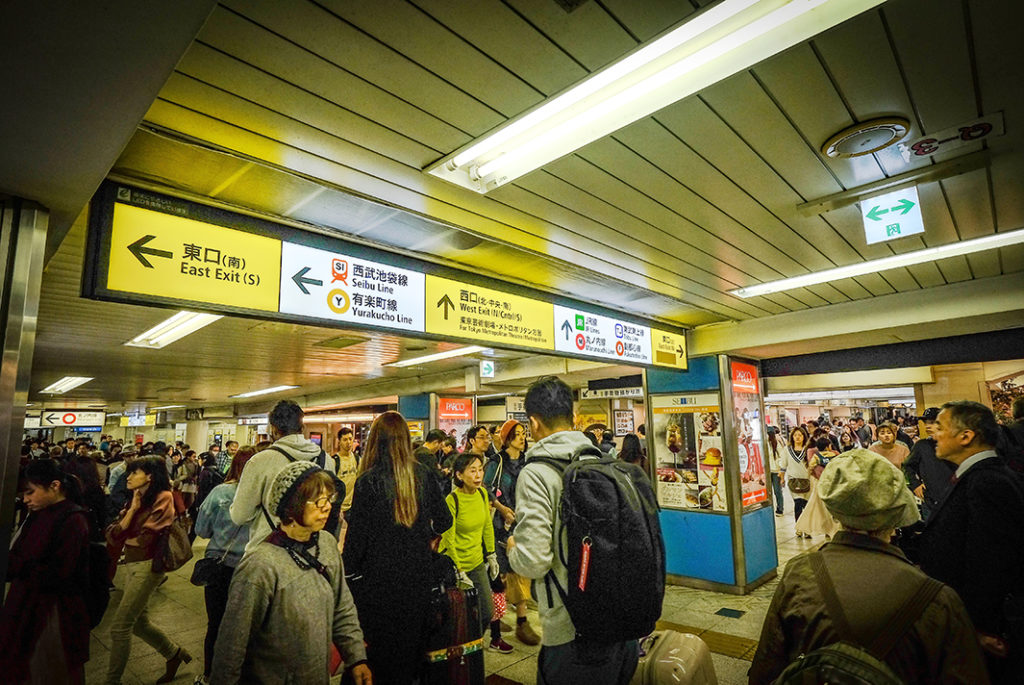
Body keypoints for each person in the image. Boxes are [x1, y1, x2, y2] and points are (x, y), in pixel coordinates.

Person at [749, 449, 989, 684]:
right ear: (897, 514)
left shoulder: (800, 572)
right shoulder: (938, 599)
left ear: (835, 510)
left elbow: (768, 663)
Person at [507, 376, 639, 685]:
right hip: (623, 626)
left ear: (534, 423)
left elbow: (535, 560)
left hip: (573, 636)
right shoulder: (605, 462)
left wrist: (513, 547)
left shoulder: (537, 473)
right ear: (575, 419)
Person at [211, 461, 370, 684]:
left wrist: (356, 658)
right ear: (292, 506)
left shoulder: (325, 544)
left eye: (329, 499)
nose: (327, 507)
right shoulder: (260, 565)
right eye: (318, 501)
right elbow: (232, 644)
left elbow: (342, 607)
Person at [918, 401, 1024, 683]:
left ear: (966, 436)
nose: (933, 433)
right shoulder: (978, 476)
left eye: (940, 427)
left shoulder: (988, 482)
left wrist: (979, 627)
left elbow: (991, 562)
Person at [343, 411, 452, 685]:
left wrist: (347, 578)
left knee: (380, 655)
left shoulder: (368, 481)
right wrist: (425, 535)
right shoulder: (423, 474)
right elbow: (445, 519)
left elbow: (356, 542)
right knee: (410, 653)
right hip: (418, 578)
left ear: (375, 441)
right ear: (405, 439)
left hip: (378, 583)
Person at [0, 460, 91, 685]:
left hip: (51, 614)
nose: (26, 499)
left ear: (55, 486)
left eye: (31, 492)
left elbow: (60, 574)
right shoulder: (38, 513)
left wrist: (14, 564)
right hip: (26, 603)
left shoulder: (73, 520)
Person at [104, 456, 192, 685]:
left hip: (147, 566)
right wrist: (133, 510)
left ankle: (112, 681)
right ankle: (173, 653)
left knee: (120, 627)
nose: (129, 477)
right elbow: (113, 534)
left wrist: (125, 535)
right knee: (140, 623)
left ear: (150, 476)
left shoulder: (163, 497)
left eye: (135, 472)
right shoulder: (136, 497)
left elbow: (145, 539)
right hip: (129, 564)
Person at [231, 400, 336, 553]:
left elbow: (239, 516)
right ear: (302, 427)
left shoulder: (259, 461)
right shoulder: (326, 459)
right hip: (312, 552)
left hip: (267, 551)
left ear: (273, 429)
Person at [192, 445, 255, 685]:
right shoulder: (265, 495)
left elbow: (201, 530)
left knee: (216, 624)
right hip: (251, 568)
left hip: (220, 566)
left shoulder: (220, 493)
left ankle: (210, 675)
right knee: (247, 627)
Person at [440, 451, 504, 651]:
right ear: (459, 475)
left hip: (476, 563)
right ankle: (459, 651)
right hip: (455, 567)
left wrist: (491, 555)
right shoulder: (452, 500)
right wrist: (458, 570)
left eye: (480, 470)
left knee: (486, 611)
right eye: (472, 471)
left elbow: (487, 526)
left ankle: (470, 646)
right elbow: (447, 539)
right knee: (457, 615)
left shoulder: (483, 494)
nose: (478, 475)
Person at [486, 418, 541, 646]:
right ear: (508, 438)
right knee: (501, 573)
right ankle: (503, 619)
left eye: (523, 433)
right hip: (500, 525)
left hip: (522, 522)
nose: (522, 437)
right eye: (517, 434)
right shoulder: (497, 462)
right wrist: (502, 508)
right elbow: (486, 489)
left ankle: (517, 617)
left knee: (519, 570)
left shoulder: (528, 462)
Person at [902, 407, 956, 520]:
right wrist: (915, 484)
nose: (927, 426)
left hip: (955, 500)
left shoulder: (956, 444)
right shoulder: (921, 446)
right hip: (931, 501)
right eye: (926, 423)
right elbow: (907, 465)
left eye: (932, 422)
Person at [794, 438, 841, 540]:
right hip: (833, 484)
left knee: (815, 506)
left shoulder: (816, 456)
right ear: (827, 446)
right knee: (830, 509)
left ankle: (803, 528)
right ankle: (831, 530)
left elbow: (810, 468)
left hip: (820, 484)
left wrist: (813, 476)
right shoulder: (835, 455)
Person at [781, 426, 812, 534]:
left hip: (808, 481)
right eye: (795, 435)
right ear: (792, 437)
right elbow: (783, 464)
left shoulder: (808, 449)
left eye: (800, 435)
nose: (797, 437)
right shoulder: (787, 450)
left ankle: (807, 528)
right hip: (794, 480)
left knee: (807, 505)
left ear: (804, 437)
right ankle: (799, 527)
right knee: (798, 503)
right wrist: (782, 478)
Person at [332, 426, 359, 548]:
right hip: (339, 508)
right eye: (345, 440)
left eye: (350, 439)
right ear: (339, 441)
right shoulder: (335, 461)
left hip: (353, 507)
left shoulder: (357, 459)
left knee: (354, 540)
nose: (348, 443)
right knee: (335, 540)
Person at [766, 427, 783, 516]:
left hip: (776, 471)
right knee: (768, 492)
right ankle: (769, 508)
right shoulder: (764, 444)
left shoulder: (776, 444)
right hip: (767, 471)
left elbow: (782, 456)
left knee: (777, 491)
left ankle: (780, 508)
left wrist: (780, 467)